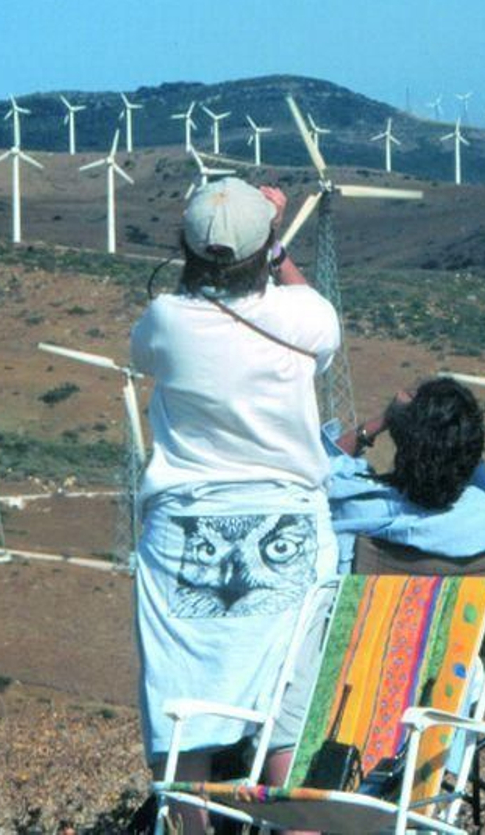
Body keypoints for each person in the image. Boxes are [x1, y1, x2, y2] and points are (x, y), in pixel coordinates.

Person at [128, 177, 341, 826]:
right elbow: (315, 316)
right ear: (265, 249)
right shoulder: (304, 317)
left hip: (185, 537)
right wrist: (276, 242)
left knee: (183, 713)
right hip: (289, 530)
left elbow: (150, 349)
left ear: (188, 248)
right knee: (286, 714)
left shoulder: (164, 321)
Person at [324, 378, 485, 572]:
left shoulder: (354, 503)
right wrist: (460, 445)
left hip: (373, 603)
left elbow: (320, 464)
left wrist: (387, 418)